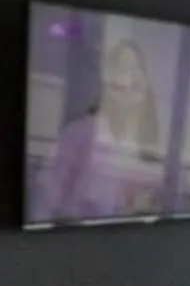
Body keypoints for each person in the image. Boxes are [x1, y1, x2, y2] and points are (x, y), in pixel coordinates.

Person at [43, 35, 167, 221]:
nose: (130, 79)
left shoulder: (149, 146)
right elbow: (47, 203)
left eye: (137, 69)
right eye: (123, 68)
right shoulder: (76, 135)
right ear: (107, 84)